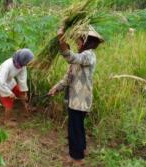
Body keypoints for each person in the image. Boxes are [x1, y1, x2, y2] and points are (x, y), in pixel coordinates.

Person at [48, 26, 104, 166]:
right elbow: (68, 78)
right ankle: (81, 150)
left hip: (81, 100)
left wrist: (61, 40)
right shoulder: (79, 58)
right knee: (77, 126)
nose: (77, 42)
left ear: (86, 40)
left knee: (75, 128)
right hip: (74, 99)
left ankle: (77, 158)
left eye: (79, 39)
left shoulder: (88, 55)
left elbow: (71, 57)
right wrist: (56, 88)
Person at [0, 48, 34, 125]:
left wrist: (24, 93)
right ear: (23, 59)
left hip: (9, 81)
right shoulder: (7, 65)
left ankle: (25, 109)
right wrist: (9, 93)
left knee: (19, 92)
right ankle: (7, 120)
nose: (29, 63)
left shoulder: (22, 65)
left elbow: (22, 80)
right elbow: (1, 81)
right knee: (8, 101)